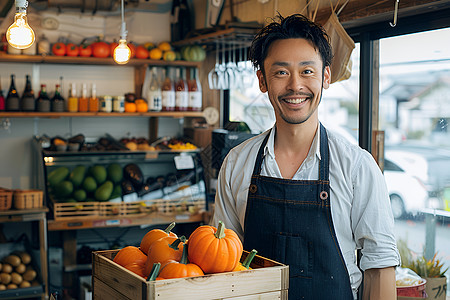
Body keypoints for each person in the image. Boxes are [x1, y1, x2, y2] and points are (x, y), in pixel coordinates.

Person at [211, 14, 400, 300]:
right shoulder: (237, 163)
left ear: (325, 76)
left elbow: (380, 268)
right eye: (281, 72)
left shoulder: (356, 167)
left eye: (307, 71)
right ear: (263, 80)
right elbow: (220, 261)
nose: (295, 86)